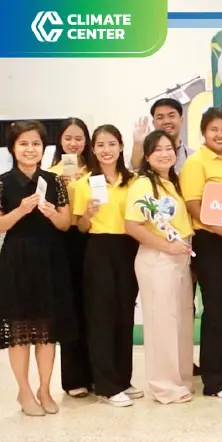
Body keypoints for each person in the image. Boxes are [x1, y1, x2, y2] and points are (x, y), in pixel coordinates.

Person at [0, 120, 73, 416]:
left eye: (36, 144)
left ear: (44, 148)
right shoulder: (3, 182)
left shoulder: (54, 181)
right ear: (13, 148)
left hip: (50, 258)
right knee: (19, 329)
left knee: (46, 329)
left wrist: (52, 212)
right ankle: (24, 391)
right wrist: (21, 210)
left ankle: (45, 389)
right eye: (23, 144)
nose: (30, 149)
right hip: (17, 258)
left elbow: (65, 224)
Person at [179, 107, 222, 400]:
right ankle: (215, 380)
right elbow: (193, 204)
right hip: (210, 240)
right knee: (217, 309)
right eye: (214, 130)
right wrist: (218, 229)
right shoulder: (195, 163)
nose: (220, 135)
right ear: (203, 133)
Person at [72, 125, 141, 407]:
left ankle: (123, 379)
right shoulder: (83, 183)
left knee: (125, 314)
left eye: (112, 144)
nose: (106, 150)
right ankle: (105, 385)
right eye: (100, 145)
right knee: (101, 317)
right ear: (93, 149)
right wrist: (88, 215)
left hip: (128, 247)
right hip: (99, 248)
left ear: (121, 147)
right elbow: (79, 227)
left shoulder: (133, 181)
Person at [125, 130, 195, 405]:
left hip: (180, 257)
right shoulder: (143, 184)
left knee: (181, 322)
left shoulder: (171, 182)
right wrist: (167, 247)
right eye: (158, 150)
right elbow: (132, 226)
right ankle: (164, 387)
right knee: (162, 324)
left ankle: (181, 379)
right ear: (147, 155)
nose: (165, 154)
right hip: (157, 259)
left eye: (169, 149)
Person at [48, 118, 94, 398]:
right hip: (64, 242)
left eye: (79, 138)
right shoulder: (50, 174)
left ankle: (96, 373)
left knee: (94, 307)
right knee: (70, 306)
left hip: (92, 239)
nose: (74, 143)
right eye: (68, 138)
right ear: (60, 141)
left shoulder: (95, 171)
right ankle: (74, 378)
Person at [131, 98, 195, 172]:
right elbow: (136, 172)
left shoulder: (193, 156)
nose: (166, 121)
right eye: (160, 117)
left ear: (181, 120)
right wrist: (138, 144)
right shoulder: (147, 155)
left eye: (171, 116)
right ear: (153, 123)